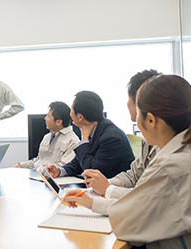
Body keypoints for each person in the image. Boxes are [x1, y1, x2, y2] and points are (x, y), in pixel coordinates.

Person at [64, 75, 191, 248]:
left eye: (139, 112)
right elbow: (140, 197)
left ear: (152, 120)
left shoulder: (169, 167)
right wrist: (93, 201)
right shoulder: (178, 150)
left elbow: (129, 221)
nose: (135, 120)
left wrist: (105, 192)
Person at [83, 70, 160, 199]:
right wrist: (104, 184)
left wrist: (107, 189)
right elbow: (133, 175)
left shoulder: (111, 135)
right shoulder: (148, 139)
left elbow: (148, 198)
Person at [46, 91, 134, 178]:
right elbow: (79, 162)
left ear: (80, 117)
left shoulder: (111, 137)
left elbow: (91, 171)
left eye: (72, 110)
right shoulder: (92, 128)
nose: (70, 114)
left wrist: (85, 140)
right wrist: (60, 171)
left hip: (115, 188)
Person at [14, 101, 79, 169]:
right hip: (37, 174)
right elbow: (39, 160)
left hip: (50, 177)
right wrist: (21, 165)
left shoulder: (73, 141)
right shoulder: (47, 137)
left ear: (58, 122)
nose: (45, 118)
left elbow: (65, 166)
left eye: (48, 116)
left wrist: (42, 171)